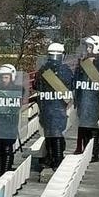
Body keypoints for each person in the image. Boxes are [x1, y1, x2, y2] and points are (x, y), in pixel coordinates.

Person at [33, 45, 72, 174]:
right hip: (59, 106)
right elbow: (70, 85)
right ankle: (58, 158)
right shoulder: (65, 69)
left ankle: (50, 158)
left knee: (49, 133)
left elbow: (36, 85)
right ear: (62, 55)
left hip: (46, 106)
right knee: (57, 133)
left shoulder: (43, 69)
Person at [74, 36, 99, 161]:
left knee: (92, 127)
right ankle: (82, 149)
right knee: (83, 125)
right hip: (82, 97)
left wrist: (86, 64)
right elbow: (77, 78)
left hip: (93, 98)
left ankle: (93, 153)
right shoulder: (83, 62)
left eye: (90, 47)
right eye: (87, 47)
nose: (87, 49)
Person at [0, 66, 24, 179]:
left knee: (8, 147)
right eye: (2, 77)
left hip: (10, 122)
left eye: (6, 77)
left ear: (11, 77)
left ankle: (6, 171)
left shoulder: (18, 89)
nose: (4, 80)